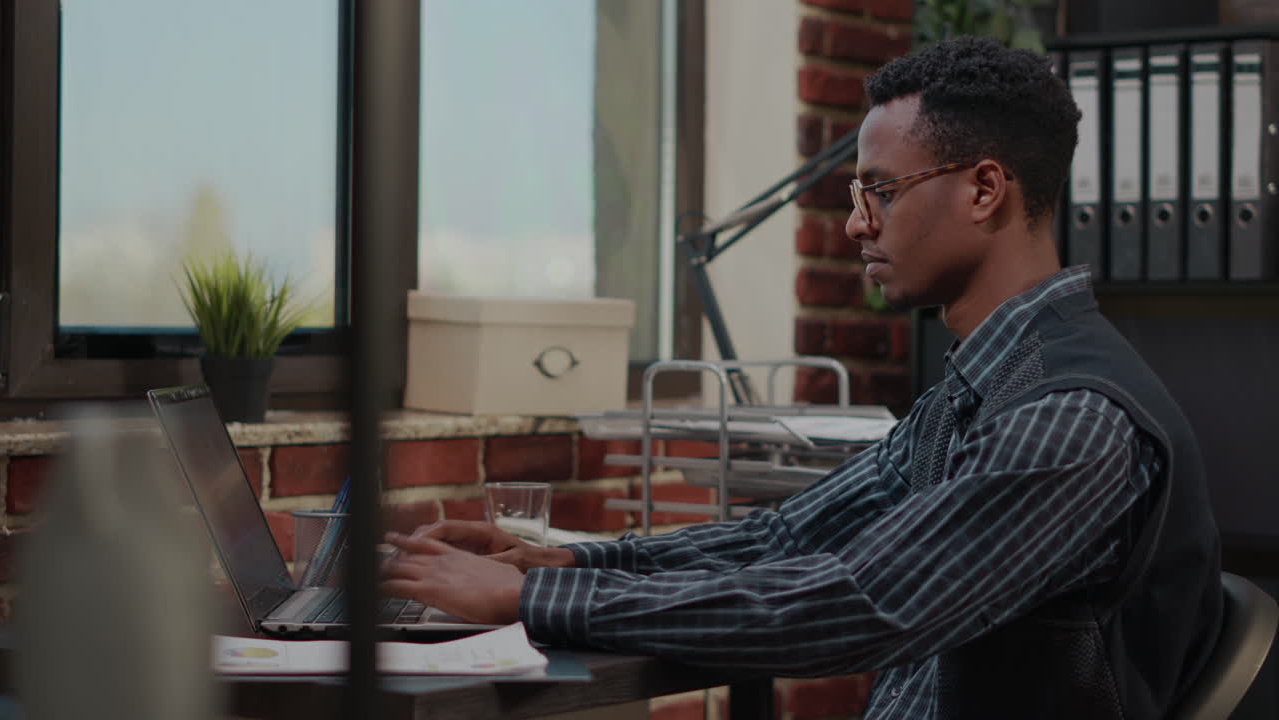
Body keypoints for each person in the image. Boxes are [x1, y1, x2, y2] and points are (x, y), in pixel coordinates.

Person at [381, 36, 1222, 719]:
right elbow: (786, 542)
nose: (858, 223)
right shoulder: (974, 395)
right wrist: (559, 568)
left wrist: (528, 605)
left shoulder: (1069, 418)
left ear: (985, 190)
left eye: (882, 191)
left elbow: (858, 602)